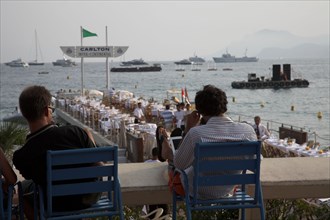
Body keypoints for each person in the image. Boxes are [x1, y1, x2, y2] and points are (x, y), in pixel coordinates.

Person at [12, 85, 100, 220]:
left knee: (23, 189)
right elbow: (99, 164)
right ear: (47, 111)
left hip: (55, 202)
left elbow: (34, 179)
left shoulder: (21, 156)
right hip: (89, 196)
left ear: (24, 115)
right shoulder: (75, 132)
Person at [173, 85, 257, 199]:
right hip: (227, 189)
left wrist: (187, 129)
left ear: (200, 111)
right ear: (225, 106)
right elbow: (256, 161)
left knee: (171, 170)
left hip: (198, 190)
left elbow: (179, 164)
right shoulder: (248, 131)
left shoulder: (195, 134)